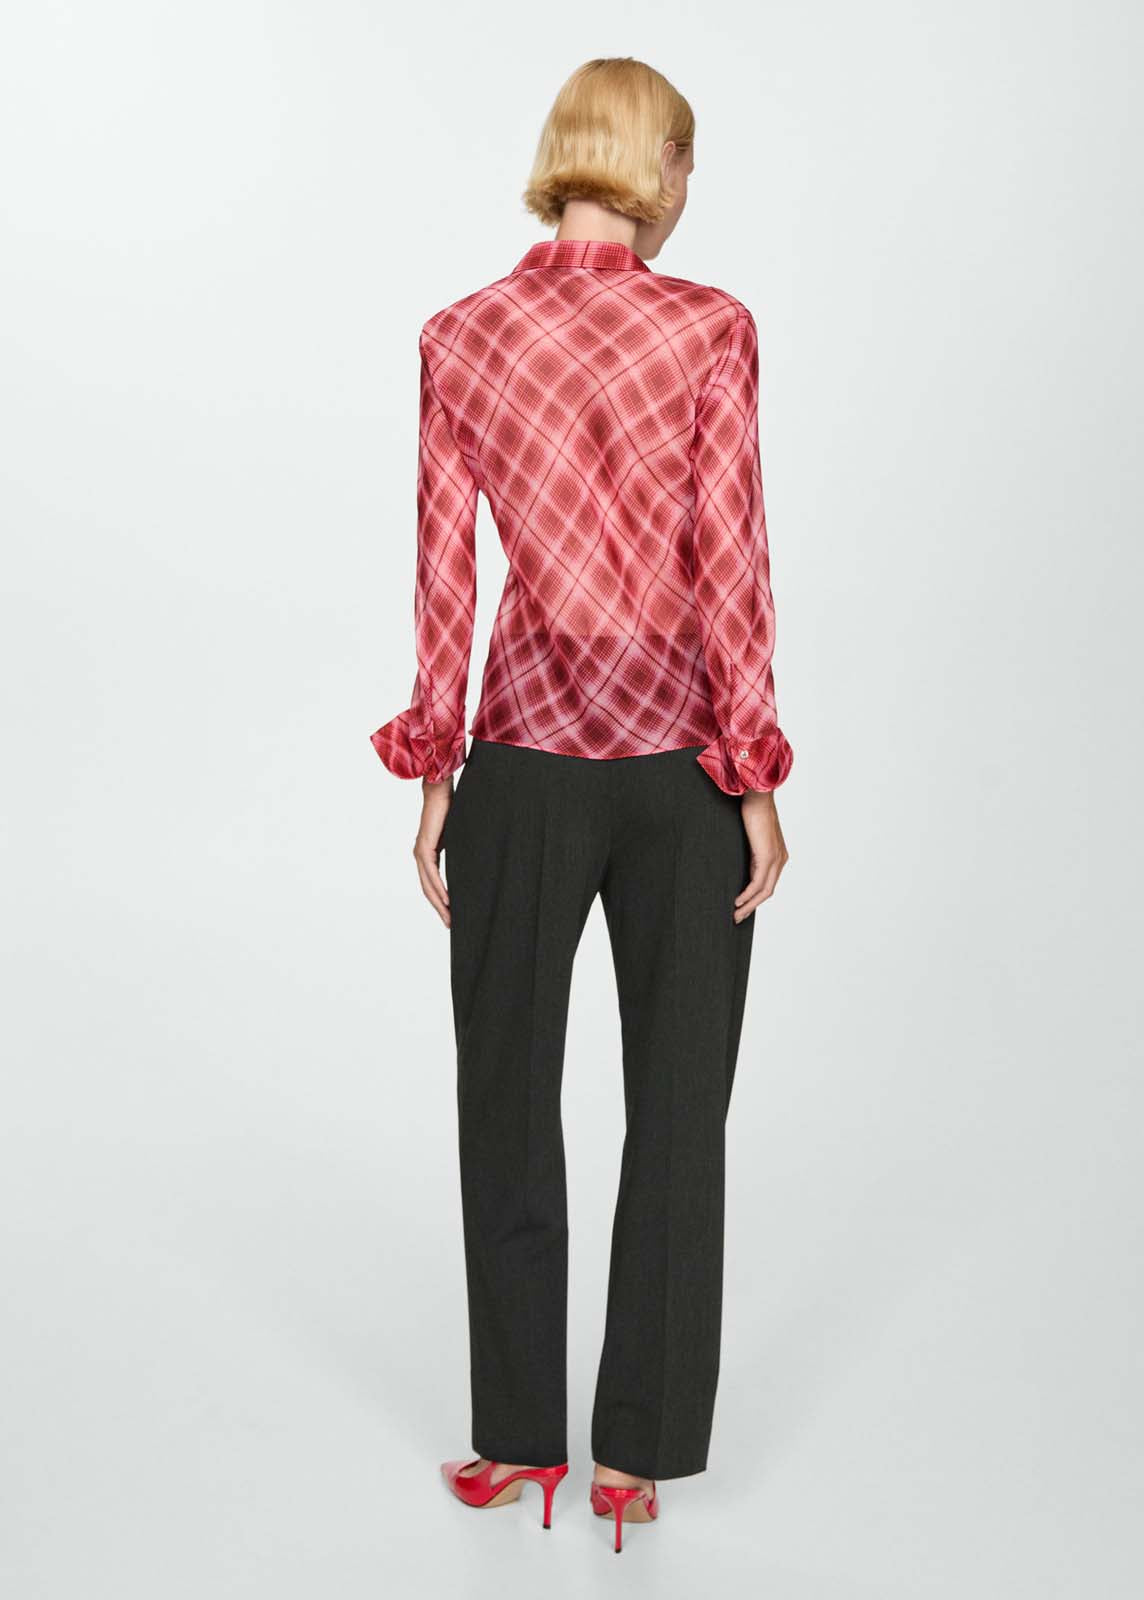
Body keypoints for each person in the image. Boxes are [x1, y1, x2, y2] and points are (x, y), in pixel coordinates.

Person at [371, 56, 793, 1551]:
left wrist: (438, 766)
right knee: (678, 1112)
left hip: (524, 768)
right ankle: (636, 1462)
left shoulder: (462, 335)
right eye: (688, 162)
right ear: (653, 162)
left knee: (504, 1098)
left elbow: (444, 567)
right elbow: (730, 562)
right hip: (682, 773)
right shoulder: (711, 328)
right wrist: (754, 773)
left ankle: (514, 1445)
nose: (689, 192)